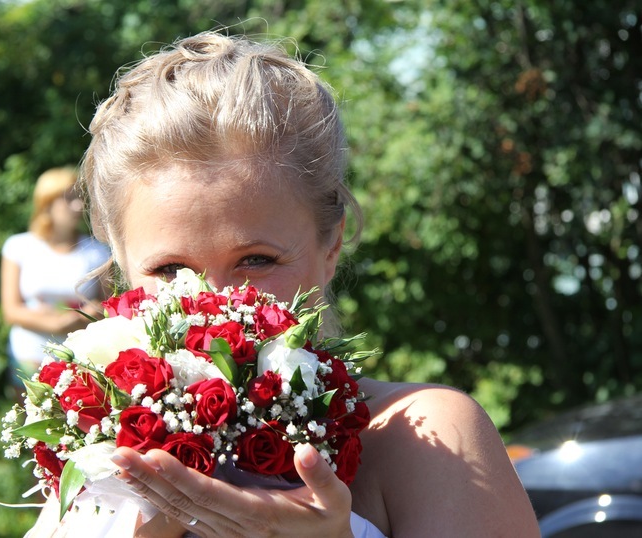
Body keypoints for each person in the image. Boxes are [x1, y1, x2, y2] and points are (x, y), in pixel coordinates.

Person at [28, 31, 540, 537]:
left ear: (331, 244)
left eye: (257, 259)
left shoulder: (428, 439)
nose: (212, 305)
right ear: (120, 265)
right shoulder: (95, 471)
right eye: (168, 270)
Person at [0, 167, 110, 397]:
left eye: (80, 197)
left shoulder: (97, 251)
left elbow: (108, 305)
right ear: (47, 203)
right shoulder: (19, 247)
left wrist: (82, 316)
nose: (78, 205)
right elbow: (11, 311)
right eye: (69, 198)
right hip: (28, 356)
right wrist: (57, 325)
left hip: (81, 357)